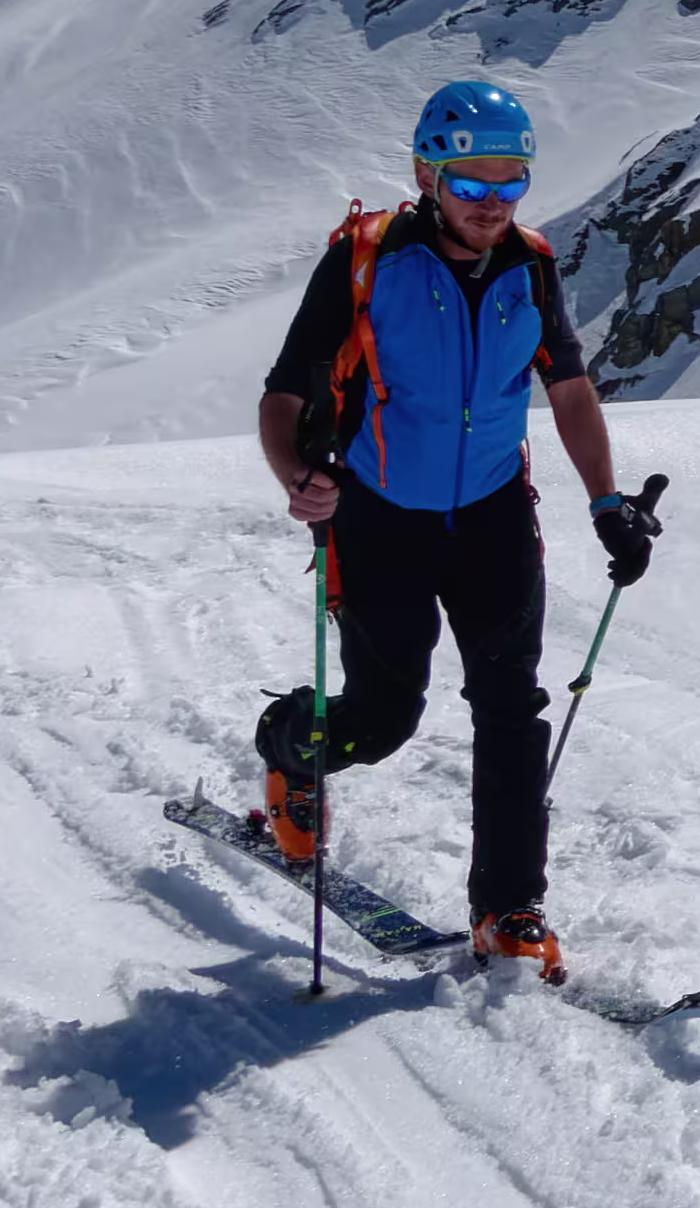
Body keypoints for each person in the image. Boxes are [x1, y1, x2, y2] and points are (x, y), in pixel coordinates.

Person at [248, 79, 660, 970]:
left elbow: (570, 389)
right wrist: (297, 479)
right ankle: (291, 748)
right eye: (471, 184)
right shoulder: (366, 263)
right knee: (384, 719)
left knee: (512, 708)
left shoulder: (531, 264)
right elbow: (285, 392)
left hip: (492, 520)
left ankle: (509, 911)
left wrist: (605, 500)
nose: (491, 203)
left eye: (508, 181)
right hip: (380, 519)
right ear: (428, 176)